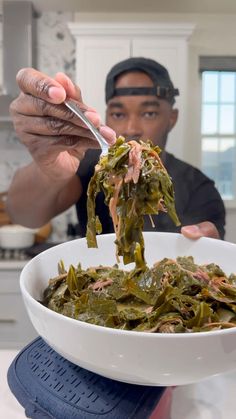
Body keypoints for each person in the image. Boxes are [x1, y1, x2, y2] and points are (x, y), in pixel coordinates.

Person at [6, 57, 225, 240]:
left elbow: (207, 255)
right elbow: (23, 215)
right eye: (119, 114)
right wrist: (51, 170)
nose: (131, 129)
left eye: (149, 113)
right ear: (107, 116)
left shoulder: (200, 187)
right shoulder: (91, 165)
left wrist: (208, 250)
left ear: (172, 119)